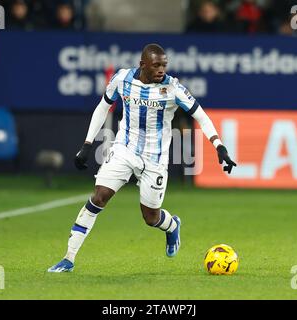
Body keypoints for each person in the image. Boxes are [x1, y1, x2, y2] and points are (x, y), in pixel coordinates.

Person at [48, 43, 237, 272]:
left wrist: (219, 145)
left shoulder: (173, 88)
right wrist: (87, 144)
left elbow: (201, 116)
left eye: (164, 65)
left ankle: (171, 226)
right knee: (99, 197)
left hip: (155, 158)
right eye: (156, 65)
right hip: (124, 150)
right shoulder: (123, 79)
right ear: (143, 64)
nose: (161, 70)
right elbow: (103, 107)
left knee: (150, 217)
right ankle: (68, 258)